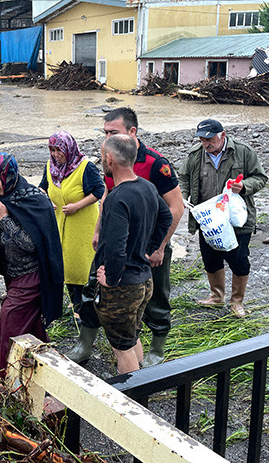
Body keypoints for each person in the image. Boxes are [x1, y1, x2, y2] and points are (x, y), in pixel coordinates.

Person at [69, 107, 183, 367]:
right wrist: (98, 229)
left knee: (151, 306)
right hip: (130, 255)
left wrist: (158, 246)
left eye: (113, 133)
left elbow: (175, 208)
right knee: (96, 297)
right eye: (105, 132)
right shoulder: (133, 179)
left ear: (131, 133)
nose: (106, 139)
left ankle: (151, 358)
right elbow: (109, 196)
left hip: (136, 255)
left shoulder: (155, 164)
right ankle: (86, 344)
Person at [0, 152, 64, 379]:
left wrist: (5, 218)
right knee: (29, 326)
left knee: (10, 325)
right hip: (13, 276)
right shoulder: (0, 193)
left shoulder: (34, 200)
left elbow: (32, 245)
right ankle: (45, 371)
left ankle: (4, 380)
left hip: (33, 277)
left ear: (9, 176)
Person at [95, 135, 173, 374]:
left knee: (122, 347)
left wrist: (112, 278)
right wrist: (148, 250)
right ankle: (141, 378)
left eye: (102, 156)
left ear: (109, 159)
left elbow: (116, 246)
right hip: (144, 278)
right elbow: (166, 217)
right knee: (132, 334)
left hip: (123, 285)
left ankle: (132, 398)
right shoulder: (147, 187)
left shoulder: (117, 198)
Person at [178, 119, 267, 318]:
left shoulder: (243, 151)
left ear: (223, 135)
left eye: (209, 139)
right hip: (208, 218)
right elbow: (183, 177)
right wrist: (183, 196)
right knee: (210, 258)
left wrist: (244, 186)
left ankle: (237, 302)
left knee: (239, 260)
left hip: (236, 218)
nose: (205, 144)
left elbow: (261, 178)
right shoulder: (196, 154)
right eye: (202, 140)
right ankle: (217, 297)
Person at [38, 130, 105, 314]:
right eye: (52, 150)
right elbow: (42, 188)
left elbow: (99, 191)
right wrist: (47, 200)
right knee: (64, 264)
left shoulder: (85, 167)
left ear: (69, 148)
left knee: (82, 265)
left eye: (59, 150)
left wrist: (77, 206)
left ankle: (87, 305)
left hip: (82, 226)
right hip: (59, 224)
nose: (56, 154)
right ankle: (75, 303)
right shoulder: (50, 166)